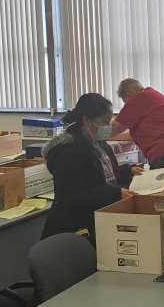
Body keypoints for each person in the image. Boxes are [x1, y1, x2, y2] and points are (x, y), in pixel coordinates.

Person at [41, 93, 133, 239]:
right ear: (87, 120)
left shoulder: (99, 144)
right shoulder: (67, 151)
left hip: (99, 220)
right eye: (105, 121)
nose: (108, 127)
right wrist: (113, 193)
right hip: (75, 230)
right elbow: (70, 198)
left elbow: (103, 176)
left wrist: (128, 171)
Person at [109, 79, 164, 169]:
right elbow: (135, 135)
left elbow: (114, 129)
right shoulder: (154, 96)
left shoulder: (137, 99)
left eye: (125, 102)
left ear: (128, 95)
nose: (126, 106)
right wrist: (112, 137)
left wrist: (97, 133)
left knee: (162, 183)